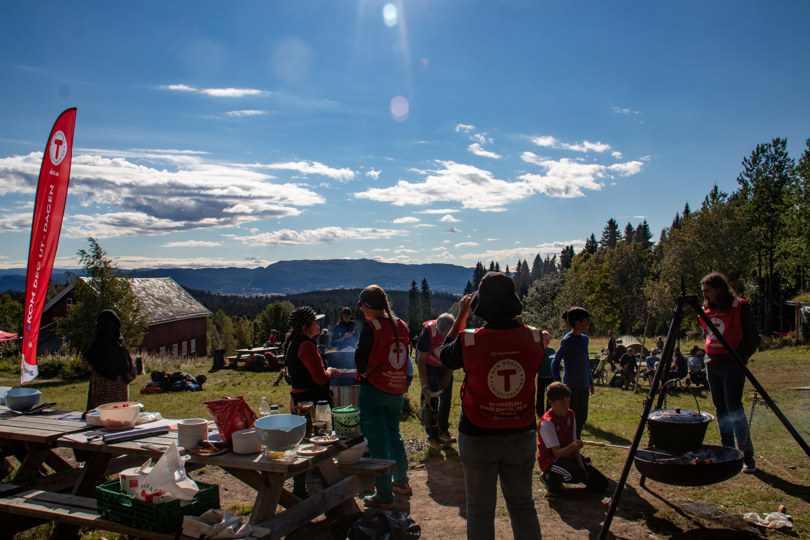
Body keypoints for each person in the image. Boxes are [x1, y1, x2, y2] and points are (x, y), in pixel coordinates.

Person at [440, 272, 543, 540]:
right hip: (521, 432)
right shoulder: (535, 338)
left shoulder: (470, 340)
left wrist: (461, 315)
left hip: (478, 434)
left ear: (481, 304)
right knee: (523, 506)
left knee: (479, 509)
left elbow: (444, 356)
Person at [354, 285, 411, 509]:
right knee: (394, 435)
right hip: (396, 390)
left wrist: (365, 369)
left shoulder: (371, 326)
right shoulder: (401, 325)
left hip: (374, 390)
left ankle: (384, 495)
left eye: (361, 304)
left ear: (368, 305)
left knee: (377, 443)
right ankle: (402, 482)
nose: (359, 308)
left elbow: (360, 360)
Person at [699, 272, 759, 473]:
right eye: (703, 291)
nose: (705, 295)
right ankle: (727, 453)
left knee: (734, 407)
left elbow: (752, 337)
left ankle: (746, 456)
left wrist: (740, 358)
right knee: (721, 409)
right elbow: (707, 334)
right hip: (712, 363)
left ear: (719, 289)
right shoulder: (705, 311)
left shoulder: (739, 306)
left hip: (732, 364)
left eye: (708, 291)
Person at [284, 306, 340, 498]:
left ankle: (300, 488)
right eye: (316, 322)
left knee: (302, 444)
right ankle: (319, 489)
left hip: (299, 401)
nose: (318, 324)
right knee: (318, 443)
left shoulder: (294, 343)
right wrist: (331, 371)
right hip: (313, 403)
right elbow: (321, 378)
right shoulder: (307, 345)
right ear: (307, 326)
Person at [537, 382, 609, 497]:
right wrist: (573, 446)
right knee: (578, 474)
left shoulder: (571, 415)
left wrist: (582, 464)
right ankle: (549, 478)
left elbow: (573, 441)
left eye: (568, 402)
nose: (566, 406)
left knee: (601, 484)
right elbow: (558, 453)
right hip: (552, 460)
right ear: (551, 403)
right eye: (562, 403)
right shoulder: (547, 422)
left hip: (569, 456)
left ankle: (574, 470)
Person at [551, 307, 593, 439]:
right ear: (577, 323)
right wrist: (559, 383)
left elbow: (586, 362)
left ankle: (576, 444)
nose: (588, 325)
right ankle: (568, 445)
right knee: (570, 417)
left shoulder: (584, 339)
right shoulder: (568, 340)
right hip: (571, 386)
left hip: (584, 385)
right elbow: (555, 361)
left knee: (581, 417)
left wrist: (590, 382)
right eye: (586, 322)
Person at [82, 309, 137, 412]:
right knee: (119, 415)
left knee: (100, 416)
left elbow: (86, 364)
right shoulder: (120, 342)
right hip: (120, 386)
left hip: (100, 385)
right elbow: (129, 367)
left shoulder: (99, 342)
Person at [416, 313, 456, 450]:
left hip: (445, 364)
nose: (443, 338)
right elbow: (420, 359)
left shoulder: (457, 331)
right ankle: (432, 436)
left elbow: (454, 357)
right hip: (428, 365)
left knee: (446, 399)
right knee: (431, 401)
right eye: (441, 334)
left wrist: (447, 376)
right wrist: (424, 382)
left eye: (446, 335)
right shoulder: (427, 331)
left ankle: (443, 430)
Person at [536, 330, 555, 416]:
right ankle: (539, 412)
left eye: (548, 339)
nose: (547, 341)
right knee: (540, 395)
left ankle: (549, 411)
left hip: (550, 376)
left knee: (550, 396)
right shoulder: (538, 350)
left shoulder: (551, 350)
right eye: (545, 339)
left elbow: (555, 362)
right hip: (541, 376)